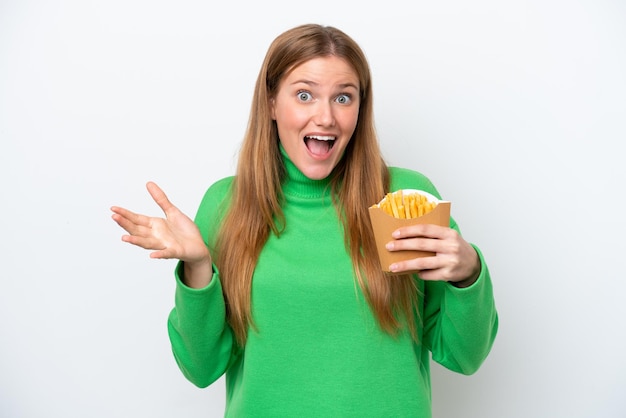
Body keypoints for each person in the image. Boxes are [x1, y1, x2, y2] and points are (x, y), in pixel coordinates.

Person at [111, 23, 498, 417]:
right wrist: (197, 268)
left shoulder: (404, 200)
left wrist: (468, 274)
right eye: (304, 95)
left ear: (360, 108)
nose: (325, 116)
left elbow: (465, 357)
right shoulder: (226, 204)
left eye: (343, 98)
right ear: (271, 104)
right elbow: (201, 368)